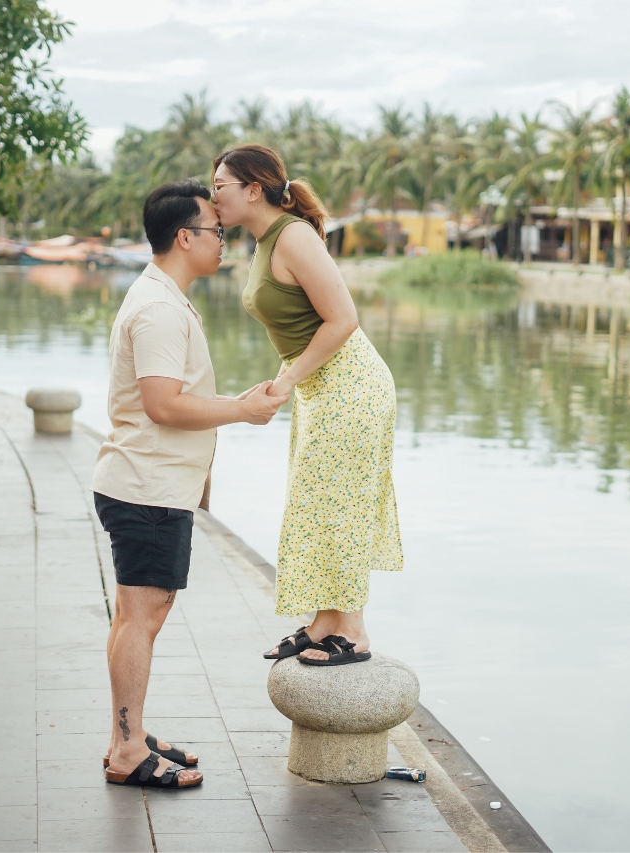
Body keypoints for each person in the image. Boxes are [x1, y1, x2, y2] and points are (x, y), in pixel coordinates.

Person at [93, 179, 288, 788]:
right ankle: (128, 750)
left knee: (135, 614)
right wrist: (242, 409)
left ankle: (127, 733)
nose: (224, 241)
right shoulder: (156, 308)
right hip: (146, 486)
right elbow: (163, 405)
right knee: (142, 618)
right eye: (217, 230)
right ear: (185, 236)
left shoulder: (163, 297)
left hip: (148, 483)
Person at [210, 144, 403, 667]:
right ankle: (323, 624)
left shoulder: (292, 236)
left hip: (350, 383)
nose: (213, 197)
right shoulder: (263, 241)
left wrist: (289, 378)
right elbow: (298, 329)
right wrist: (284, 381)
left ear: (253, 189)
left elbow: (343, 319)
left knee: (339, 505)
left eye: (219, 186)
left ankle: (354, 631)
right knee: (317, 504)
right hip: (321, 386)